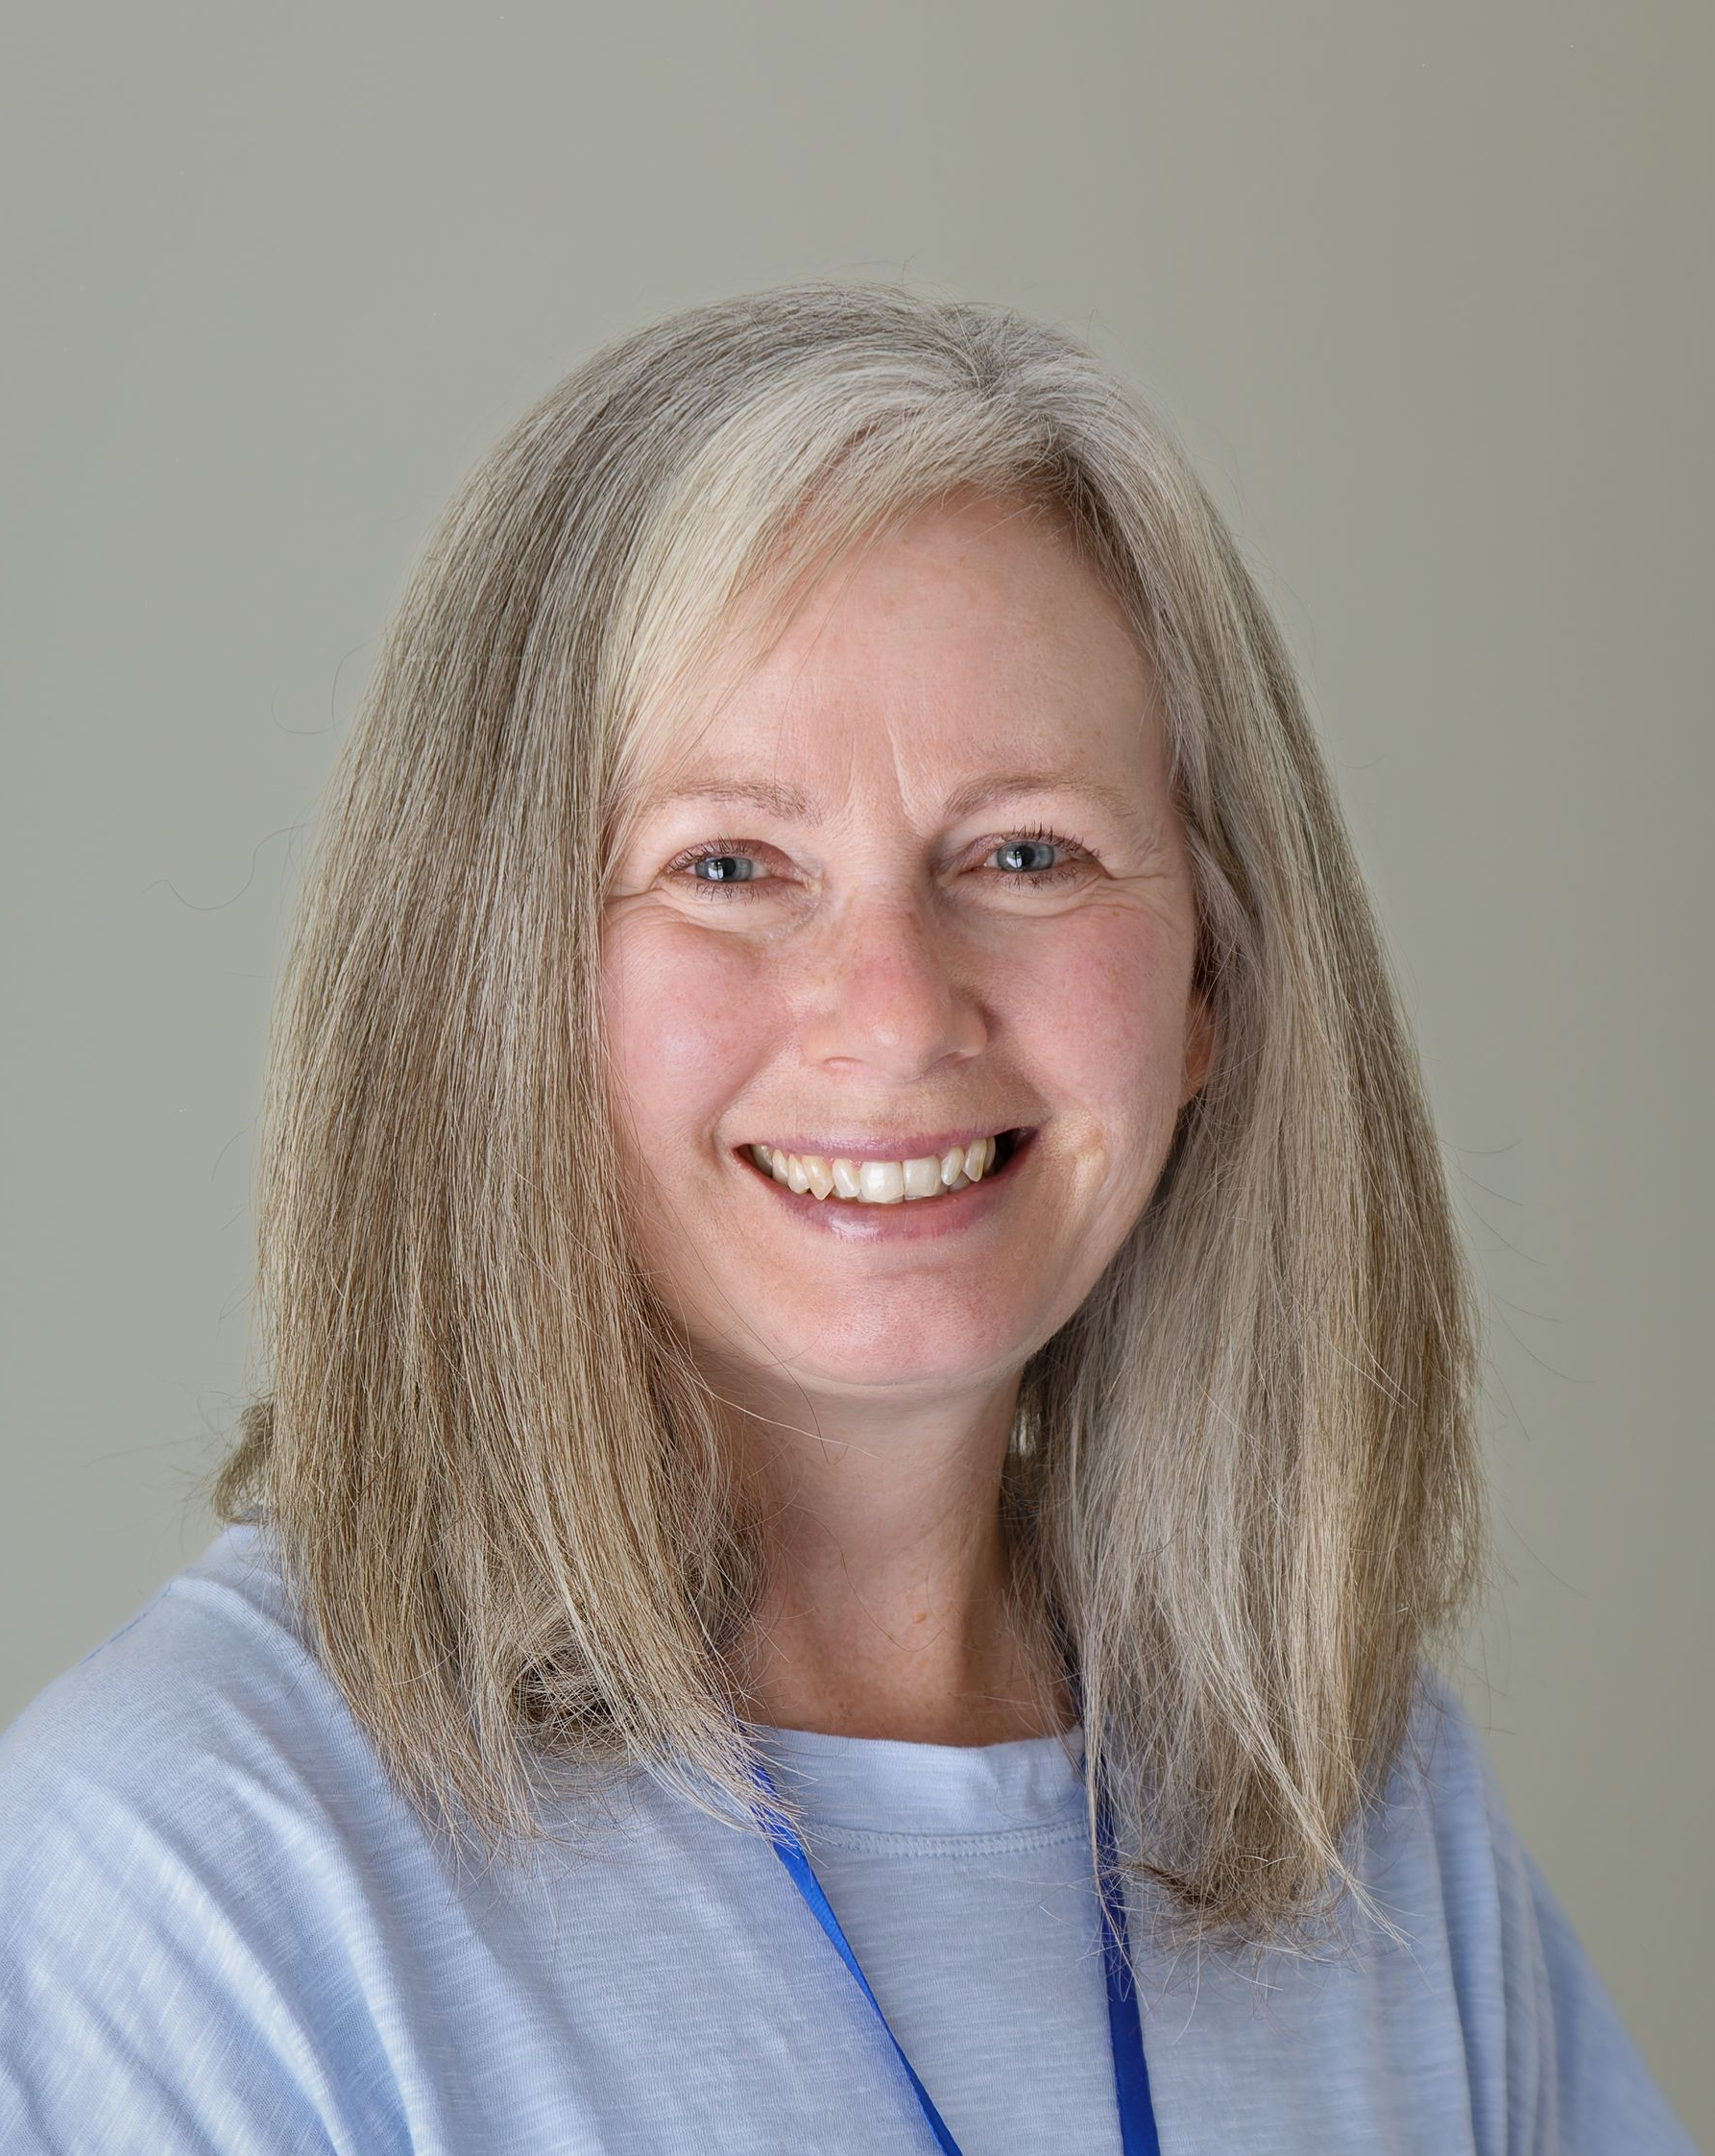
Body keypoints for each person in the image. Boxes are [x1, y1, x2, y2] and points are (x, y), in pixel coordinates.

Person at [0, 281, 1696, 2155]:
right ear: (480, 990)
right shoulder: (184, 1883)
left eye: (1024, 855)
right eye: (728, 867)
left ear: (1214, 977)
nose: (893, 1015)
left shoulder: (1355, 1805)